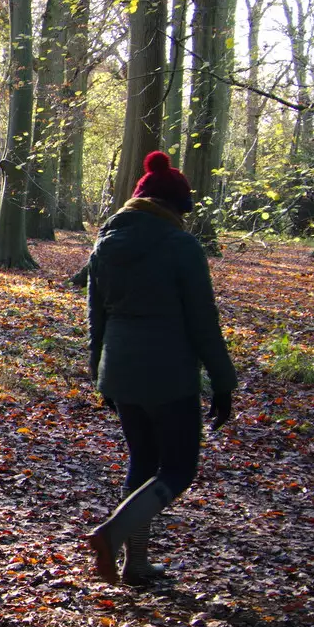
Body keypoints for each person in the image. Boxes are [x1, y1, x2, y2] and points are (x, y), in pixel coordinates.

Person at [86, 151, 236, 585]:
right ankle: (113, 534)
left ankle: (135, 563)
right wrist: (223, 382)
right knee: (178, 468)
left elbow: (96, 317)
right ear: (173, 206)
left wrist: (100, 372)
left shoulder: (105, 243)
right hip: (168, 374)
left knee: (142, 461)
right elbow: (203, 320)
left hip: (120, 368)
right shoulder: (181, 246)